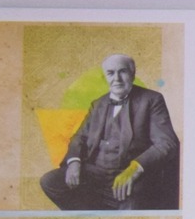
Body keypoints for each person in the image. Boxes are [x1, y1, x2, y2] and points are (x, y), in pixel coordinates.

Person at [38, 53, 179, 210]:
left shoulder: (152, 100)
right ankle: (94, 216)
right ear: (105, 77)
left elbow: (167, 142)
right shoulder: (98, 104)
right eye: (111, 73)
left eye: (122, 71)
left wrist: (134, 169)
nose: (116, 79)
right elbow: (80, 137)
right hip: (95, 174)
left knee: (132, 207)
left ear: (132, 74)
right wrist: (74, 162)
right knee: (50, 182)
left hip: (130, 174)